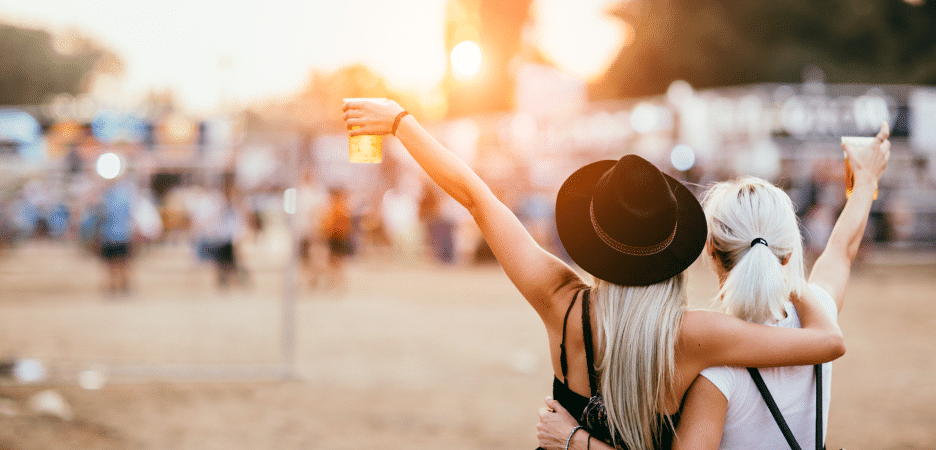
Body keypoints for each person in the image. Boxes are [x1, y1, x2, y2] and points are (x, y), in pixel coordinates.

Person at [342, 99, 844, 450]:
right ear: (675, 248)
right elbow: (827, 343)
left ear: (593, 238)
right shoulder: (697, 335)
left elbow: (476, 196)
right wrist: (786, 270)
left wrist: (400, 121)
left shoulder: (558, 299)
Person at [671, 124, 890, 450]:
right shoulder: (816, 318)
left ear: (710, 250)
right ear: (788, 251)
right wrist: (866, 180)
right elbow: (841, 250)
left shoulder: (715, 371)